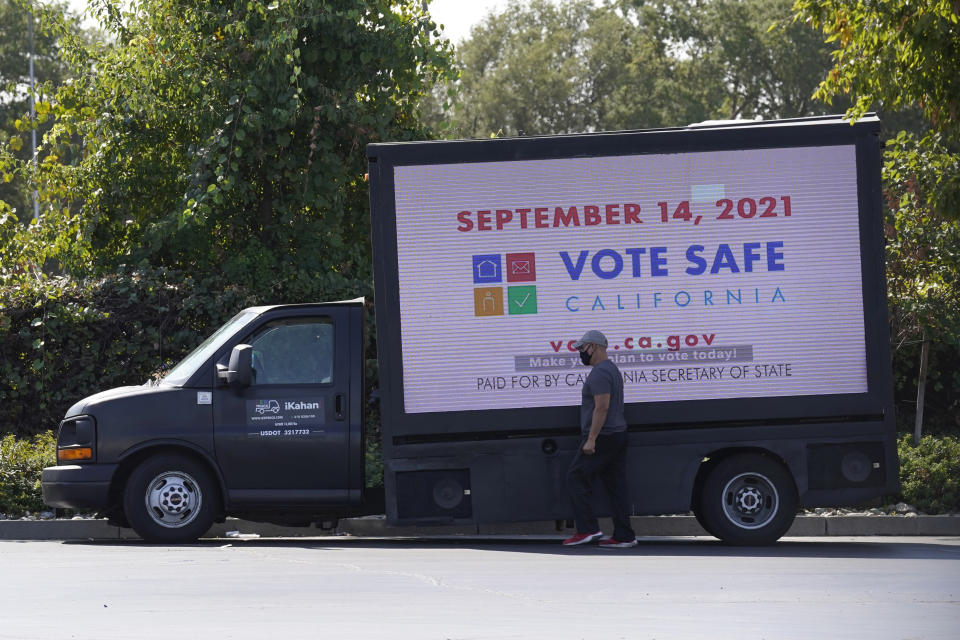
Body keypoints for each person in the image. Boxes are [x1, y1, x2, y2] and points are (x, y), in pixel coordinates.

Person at [562, 330, 637, 548]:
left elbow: (601, 407)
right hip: (617, 434)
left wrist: (591, 439)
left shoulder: (600, 373)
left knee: (575, 477)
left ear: (593, 347)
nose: (580, 353)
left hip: (604, 437)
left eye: (581, 349)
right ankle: (625, 536)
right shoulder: (611, 369)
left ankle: (587, 529)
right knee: (616, 487)